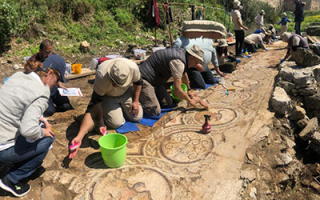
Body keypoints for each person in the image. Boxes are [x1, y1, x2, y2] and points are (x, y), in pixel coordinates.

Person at [0, 60, 64, 197]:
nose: (55, 86)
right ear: (50, 73)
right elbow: (28, 130)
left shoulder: (18, 75)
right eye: (57, 80)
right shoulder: (42, 91)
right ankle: (11, 179)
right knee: (48, 140)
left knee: (38, 128)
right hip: (2, 148)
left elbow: (17, 105)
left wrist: (41, 119)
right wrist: (43, 132)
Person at [69, 58, 143, 159]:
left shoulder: (133, 67)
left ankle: (119, 109)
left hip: (125, 93)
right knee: (116, 123)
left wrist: (135, 101)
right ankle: (101, 116)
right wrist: (100, 122)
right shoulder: (101, 74)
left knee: (137, 117)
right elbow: (95, 103)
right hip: (108, 96)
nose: (114, 85)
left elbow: (138, 83)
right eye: (113, 81)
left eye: (118, 83)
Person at [139, 45, 208, 116]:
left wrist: (188, 90)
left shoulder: (184, 56)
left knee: (167, 103)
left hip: (156, 81)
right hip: (145, 79)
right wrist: (190, 100)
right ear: (191, 57)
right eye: (196, 62)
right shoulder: (178, 63)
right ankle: (136, 96)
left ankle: (148, 95)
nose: (196, 65)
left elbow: (183, 74)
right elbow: (177, 90)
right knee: (154, 112)